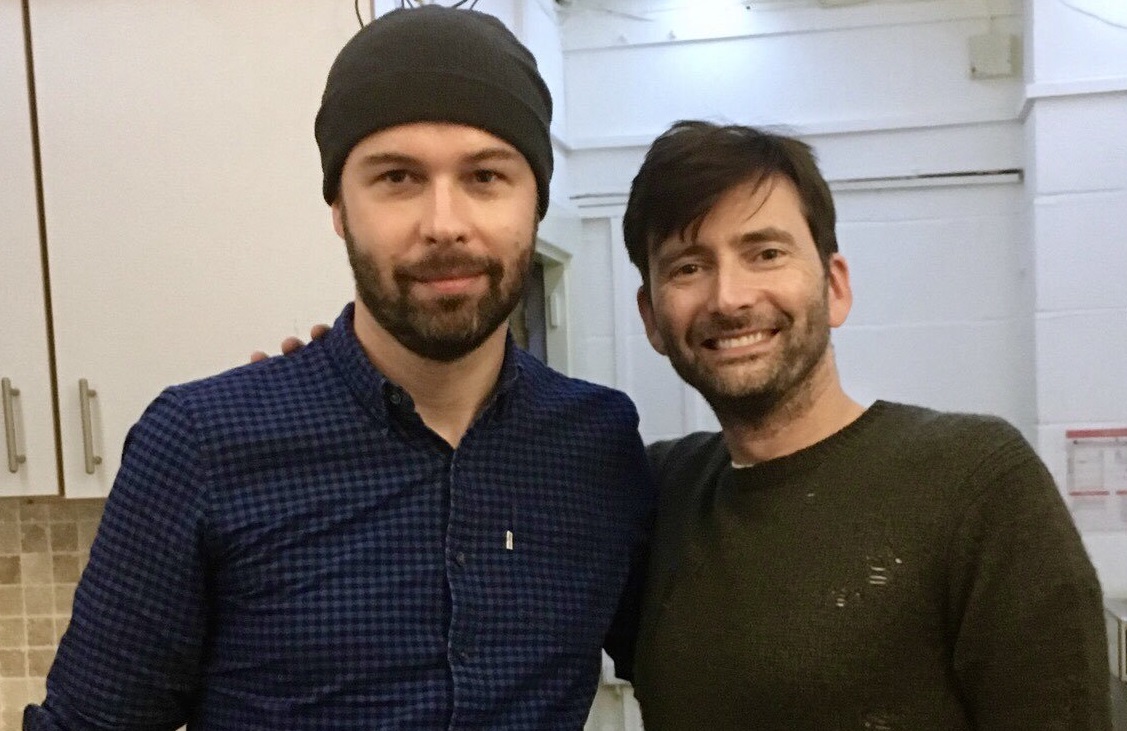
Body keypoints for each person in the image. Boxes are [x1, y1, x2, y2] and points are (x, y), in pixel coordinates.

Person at [24, 7, 653, 730]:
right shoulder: (202, 446)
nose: (444, 222)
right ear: (338, 207)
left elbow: (700, 667)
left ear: (534, 200)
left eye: (485, 175)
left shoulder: (598, 445)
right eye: (397, 177)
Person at [622, 120, 1112, 729]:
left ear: (834, 286)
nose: (730, 297)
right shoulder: (655, 493)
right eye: (688, 267)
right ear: (650, 316)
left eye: (765, 253)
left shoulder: (978, 484)